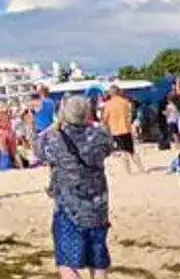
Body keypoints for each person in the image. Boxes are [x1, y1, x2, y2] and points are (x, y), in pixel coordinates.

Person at [37, 96, 113, 279]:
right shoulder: (100, 135)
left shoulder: (53, 138)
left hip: (68, 207)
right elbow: (108, 148)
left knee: (67, 262)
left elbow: (38, 148)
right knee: (98, 259)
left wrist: (57, 123)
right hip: (98, 206)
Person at [101, 86, 144, 173]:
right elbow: (130, 114)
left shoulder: (109, 104)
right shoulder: (125, 102)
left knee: (123, 152)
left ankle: (128, 171)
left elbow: (105, 119)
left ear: (110, 93)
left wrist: (105, 128)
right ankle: (141, 169)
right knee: (132, 151)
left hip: (116, 130)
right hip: (126, 129)